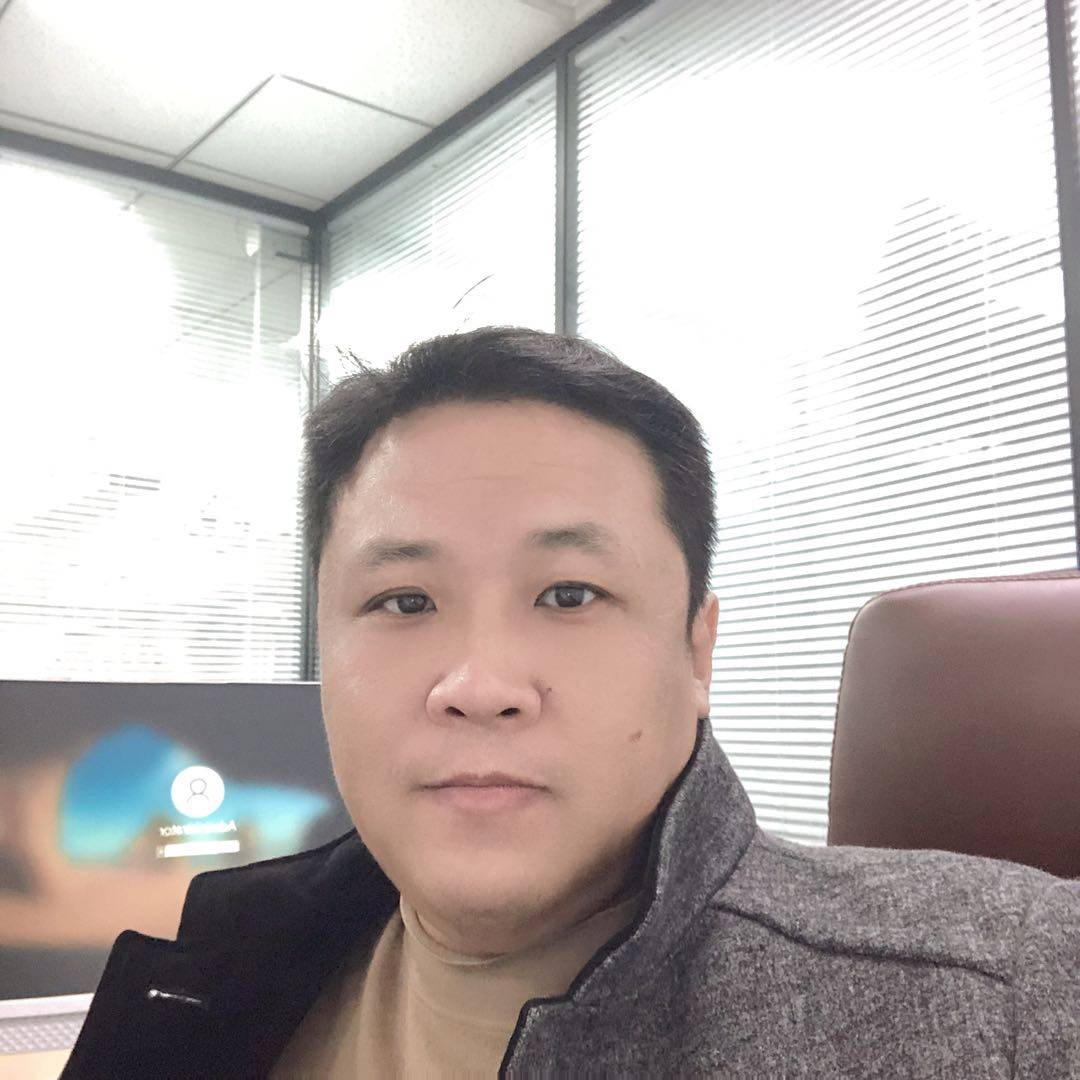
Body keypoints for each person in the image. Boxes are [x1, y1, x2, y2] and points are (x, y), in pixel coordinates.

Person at [63, 327, 1078, 1078]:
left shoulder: (1011, 994)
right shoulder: (206, 967)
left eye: (569, 595)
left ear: (697, 650)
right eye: (404, 601)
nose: (479, 687)